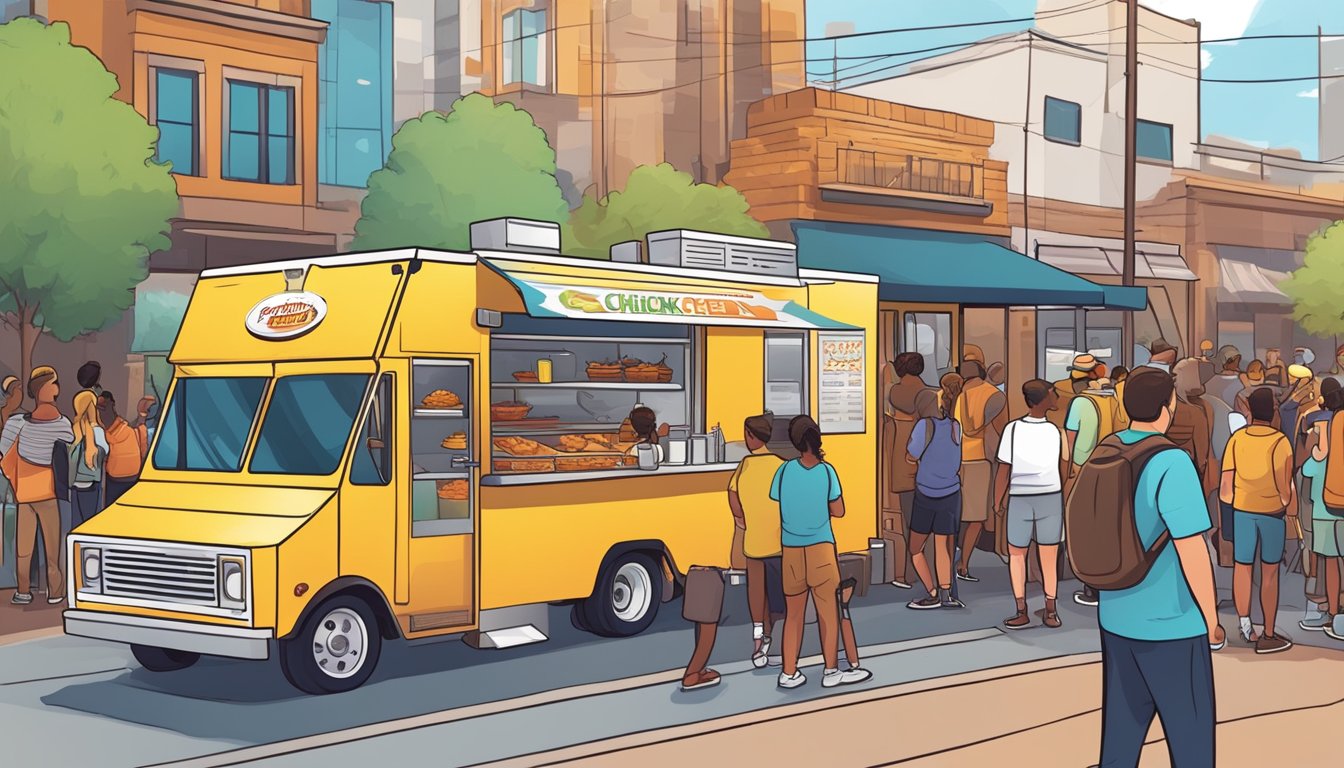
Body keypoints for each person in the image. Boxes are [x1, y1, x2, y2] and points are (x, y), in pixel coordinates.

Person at [1095, 366, 1222, 768]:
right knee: (1191, 740)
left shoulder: (1107, 449)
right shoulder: (1171, 461)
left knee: (1121, 736)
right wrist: (1212, 618)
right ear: (1169, 407)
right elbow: (1192, 549)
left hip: (1115, 613)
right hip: (1172, 622)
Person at [771, 416, 870, 689]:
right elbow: (838, 510)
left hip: (791, 550)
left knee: (794, 615)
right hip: (820, 549)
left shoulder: (784, 470)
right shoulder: (827, 472)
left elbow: (777, 500)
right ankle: (830, 671)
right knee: (828, 612)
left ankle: (789, 672)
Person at [1221, 387, 1295, 653]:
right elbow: (1285, 487)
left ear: (1249, 411)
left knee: (1243, 567)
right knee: (1270, 572)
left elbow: (1225, 488)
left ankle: (1245, 625)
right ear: (1273, 412)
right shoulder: (1280, 442)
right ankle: (1270, 632)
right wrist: (1286, 504)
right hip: (1272, 514)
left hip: (1242, 511)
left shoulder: (1237, 440)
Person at [994, 379, 1068, 630]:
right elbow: (1065, 465)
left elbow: (1004, 469)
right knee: (1049, 556)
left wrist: (997, 501)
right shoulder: (1056, 432)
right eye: (1053, 393)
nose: (1056, 396)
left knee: (1017, 555)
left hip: (1019, 498)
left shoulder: (1012, 429)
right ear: (1043, 400)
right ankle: (1050, 609)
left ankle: (1021, 609)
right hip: (1050, 496)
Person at [0, 366, 73, 605]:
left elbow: (3, 455)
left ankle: (23, 591)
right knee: (52, 548)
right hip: (48, 491)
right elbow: (69, 449)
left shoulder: (16, 423)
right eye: (54, 383)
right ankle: (55, 592)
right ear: (44, 389)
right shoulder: (62, 424)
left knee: (24, 547)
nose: (57, 388)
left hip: (24, 492)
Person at [1062, 354, 1126, 607]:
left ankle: (1092, 586)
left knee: (1086, 528)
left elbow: (1069, 441)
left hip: (1084, 468)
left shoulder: (1080, 402)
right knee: (1111, 528)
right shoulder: (1117, 399)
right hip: (1115, 466)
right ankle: (1114, 582)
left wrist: (1065, 472)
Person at [728, 413, 785, 669]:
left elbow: (732, 495)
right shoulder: (781, 466)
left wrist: (742, 520)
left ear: (751, 436)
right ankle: (775, 642)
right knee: (778, 597)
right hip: (780, 544)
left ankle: (758, 643)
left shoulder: (745, 465)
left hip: (753, 544)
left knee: (756, 595)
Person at [905, 373, 965, 611]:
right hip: (951, 493)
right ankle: (946, 593)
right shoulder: (955, 427)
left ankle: (931, 592)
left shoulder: (924, 426)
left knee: (915, 549)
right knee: (942, 546)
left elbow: (911, 455)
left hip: (926, 493)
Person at [953, 360, 1006, 583]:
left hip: (957, 459)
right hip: (980, 459)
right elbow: (1002, 428)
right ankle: (964, 564)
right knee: (976, 517)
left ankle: (953, 561)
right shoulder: (993, 395)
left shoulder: (957, 395)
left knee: (959, 515)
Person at [883, 352, 933, 590]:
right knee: (928, 522)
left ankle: (906, 573)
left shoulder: (891, 392)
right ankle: (927, 572)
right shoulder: (928, 395)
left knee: (907, 521)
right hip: (924, 464)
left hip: (898, 464)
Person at [1299, 407, 1344, 641]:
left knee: (1331, 564)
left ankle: (1334, 614)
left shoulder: (1321, 454)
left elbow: (1306, 469)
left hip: (1324, 514)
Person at [67, 390, 108, 527]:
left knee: (76, 522)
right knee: (91, 522)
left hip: (74, 484)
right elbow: (105, 451)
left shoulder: (72, 430)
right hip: (92, 483)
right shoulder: (97, 431)